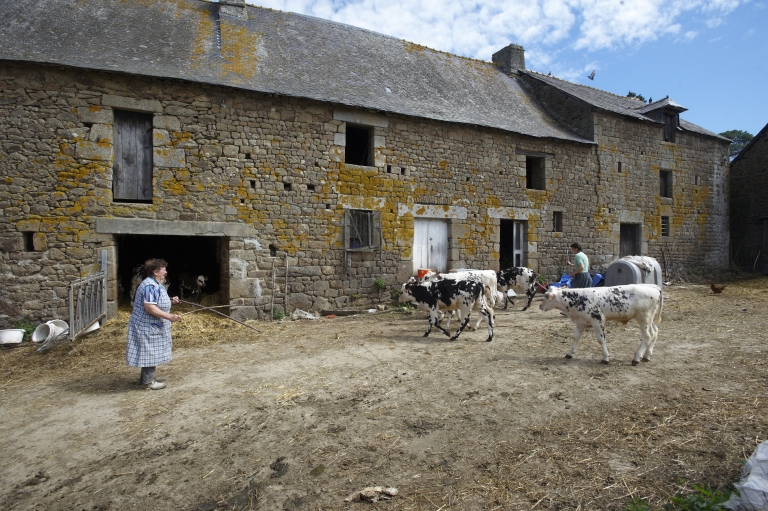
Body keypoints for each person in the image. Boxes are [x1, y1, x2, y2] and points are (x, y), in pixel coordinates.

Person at [126, 258, 181, 390]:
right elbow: (150, 307)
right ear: (156, 272)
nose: (166, 272)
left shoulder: (155, 284)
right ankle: (148, 382)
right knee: (150, 352)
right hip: (147, 326)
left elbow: (156, 300)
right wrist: (169, 316)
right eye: (164, 270)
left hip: (152, 325)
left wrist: (170, 300)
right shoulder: (150, 286)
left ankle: (145, 378)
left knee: (150, 351)